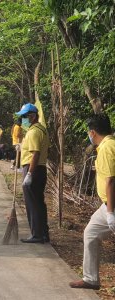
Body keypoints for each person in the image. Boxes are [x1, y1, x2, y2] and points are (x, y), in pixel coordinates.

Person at [69, 114, 115, 290]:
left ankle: (90, 278)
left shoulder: (107, 148)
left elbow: (111, 180)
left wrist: (110, 213)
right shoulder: (109, 145)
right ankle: (90, 278)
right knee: (91, 233)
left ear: (93, 132)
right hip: (107, 205)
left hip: (111, 205)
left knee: (91, 233)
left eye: (89, 132)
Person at [16, 103, 49, 244]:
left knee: (32, 203)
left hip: (33, 168)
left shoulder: (34, 131)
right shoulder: (41, 130)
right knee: (39, 203)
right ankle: (43, 233)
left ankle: (37, 234)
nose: (23, 119)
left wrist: (29, 174)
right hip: (39, 169)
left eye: (24, 116)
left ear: (32, 116)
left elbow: (35, 153)